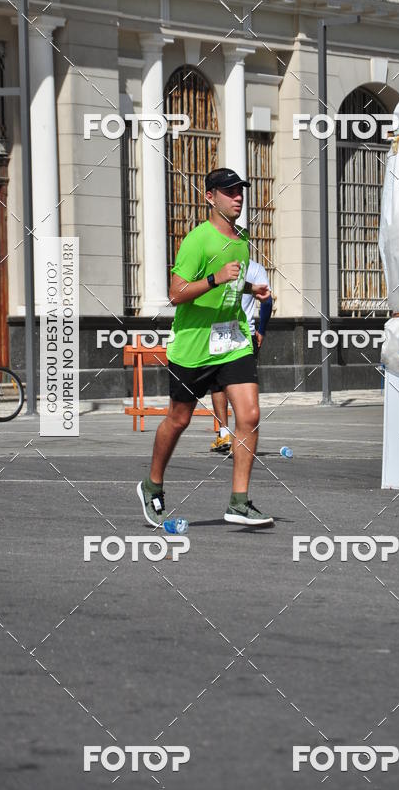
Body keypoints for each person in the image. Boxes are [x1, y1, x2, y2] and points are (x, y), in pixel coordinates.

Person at [137, 167, 274, 528]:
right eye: (229, 191)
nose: (238, 197)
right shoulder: (197, 240)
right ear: (210, 197)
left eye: (240, 190)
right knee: (178, 419)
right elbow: (176, 293)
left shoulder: (242, 239)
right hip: (194, 346)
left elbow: (229, 285)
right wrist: (215, 277)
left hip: (232, 341)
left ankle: (239, 502)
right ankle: (152, 485)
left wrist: (248, 290)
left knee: (250, 415)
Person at [210, 258, 272, 453]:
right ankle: (241, 436)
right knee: (243, 385)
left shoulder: (216, 265)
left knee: (218, 383)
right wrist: (261, 330)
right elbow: (267, 301)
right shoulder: (255, 268)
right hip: (245, 334)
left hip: (218, 333)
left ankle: (224, 433)